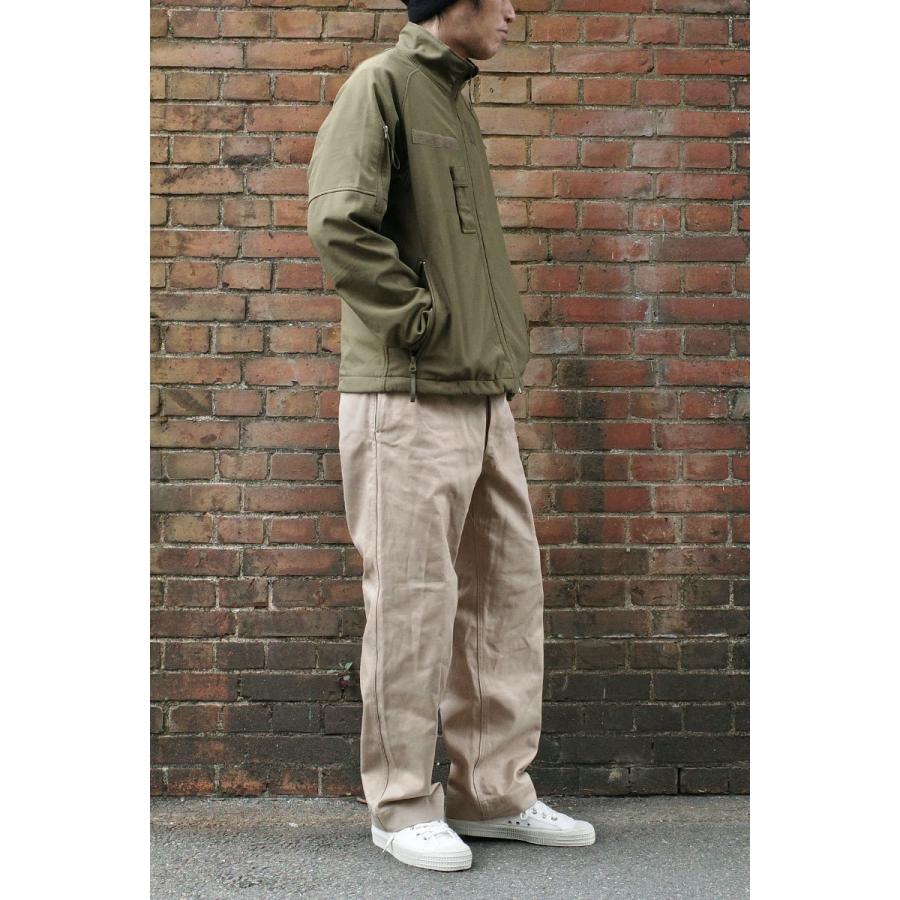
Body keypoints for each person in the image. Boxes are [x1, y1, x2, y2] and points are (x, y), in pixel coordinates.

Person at [306, 0, 596, 872]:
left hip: (480, 393)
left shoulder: (452, 101)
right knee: (413, 600)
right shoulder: (383, 86)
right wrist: (422, 324)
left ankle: (491, 793)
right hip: (409, 393)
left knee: (505, 597)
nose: (512, 11)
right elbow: (339, 222)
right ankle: (401, 804)